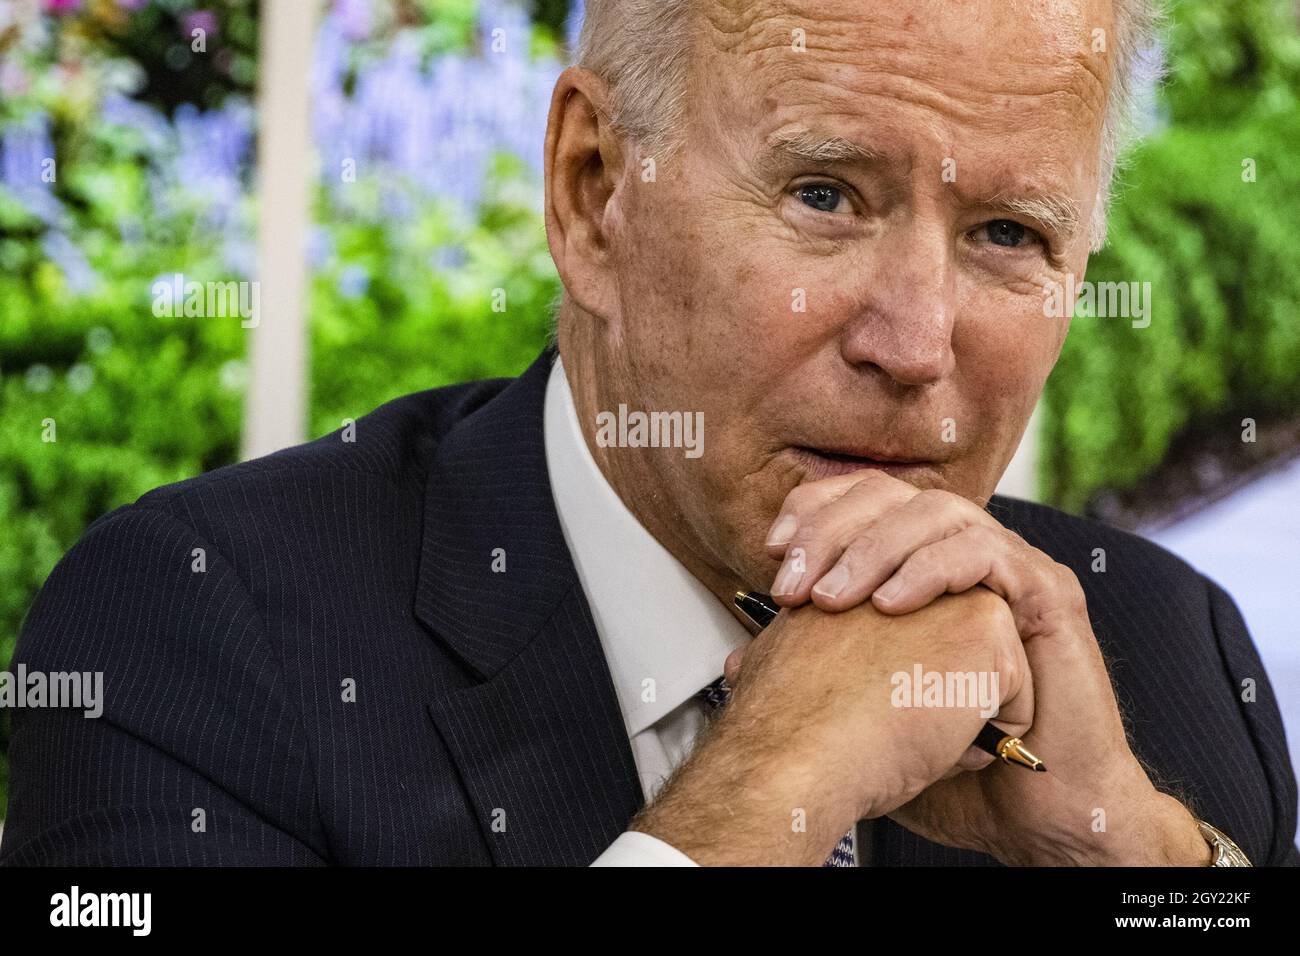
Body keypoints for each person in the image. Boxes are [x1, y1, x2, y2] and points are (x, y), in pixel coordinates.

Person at [2, 0, 1295, 866]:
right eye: (827, 195)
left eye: (1010, 233)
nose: (913, 344)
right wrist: (762, 794)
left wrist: (1131, 852)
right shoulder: (195, 646)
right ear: (592, 191)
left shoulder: (1169, 659)